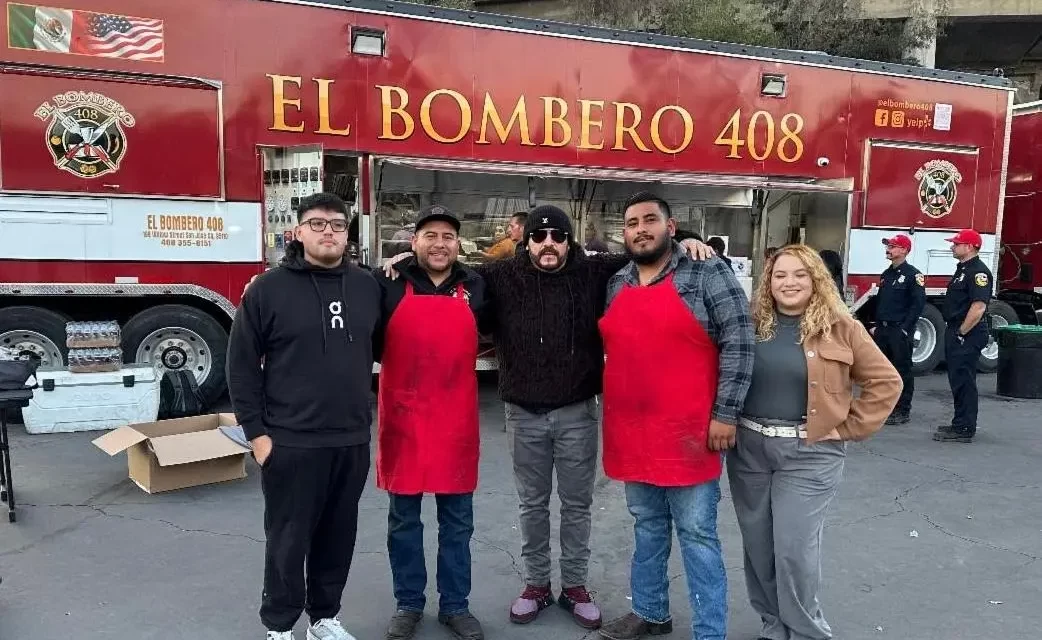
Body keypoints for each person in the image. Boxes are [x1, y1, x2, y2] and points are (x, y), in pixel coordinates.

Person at [384, 204, 713, 630]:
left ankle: (574, 585)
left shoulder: (594, 272)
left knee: (577, 505)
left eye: (557, 237)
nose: (548, 245)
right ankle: (536, 585)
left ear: (569, 240)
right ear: (527, 242)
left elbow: (643, 247)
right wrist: (404, 261)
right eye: (539, 238)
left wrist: (685, 237)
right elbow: (446, 266)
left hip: (577, 411)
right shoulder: (499, 276)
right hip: (522, 413)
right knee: (532, 505)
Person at [596, 193, 755, 640]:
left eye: (651, 219)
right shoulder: (618, 282)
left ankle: (709, 631)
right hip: (633, 433)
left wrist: (726, 414)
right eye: (632, 223)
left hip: (691, 433)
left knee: (697, 535)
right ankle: (650, 612)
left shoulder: (706, 271)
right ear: (623, 233)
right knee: (647, 528)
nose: (641, 229)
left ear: (671, 225)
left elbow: (739, 342)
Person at [227, 192, 382, 640]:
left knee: (337, 537)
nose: (328, 231)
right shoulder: (267, 290)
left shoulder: (368, 285)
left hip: (350, 440)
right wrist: (256, 434)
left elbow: (389, 344)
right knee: (287, 541)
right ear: (297, 231)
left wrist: (404, 265)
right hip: (290, 442)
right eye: (317, 224)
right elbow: (240, 366)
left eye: (337, 223)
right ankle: (279, 625)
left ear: (348, 232)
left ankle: (323, 618)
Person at [728, 244, 901, 640]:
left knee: (793, 551)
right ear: (768, 283)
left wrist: (847, 427)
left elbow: (886, 383)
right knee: (758, 546)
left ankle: (807, 632)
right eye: (780, 275)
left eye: (799, 274)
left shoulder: (843, 328)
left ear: (816, 280)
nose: (789, 282)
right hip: (749, 450)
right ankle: (773, 625)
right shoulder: (750, 323)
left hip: (809, 455)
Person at [376, 206, 489, 640]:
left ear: (458, 244)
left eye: (447, 236)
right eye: (430, 235)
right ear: (413, 242)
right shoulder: (386, 283)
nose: (439, 243)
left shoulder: (477, 286)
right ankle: (408, 603)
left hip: (455, 420)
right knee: (404, 521)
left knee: (457, 522)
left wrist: (686, 240)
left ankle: (455, 606)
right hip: (403, 420)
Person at [935, 229, 993, 443]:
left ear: (969, 247)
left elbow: (978, 307)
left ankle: (965, 428)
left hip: (967, 332)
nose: (952, 246)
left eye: (956, 243)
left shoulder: (978, 272)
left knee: (964, 381)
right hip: (958, 330)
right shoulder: (963, 269)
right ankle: (959, 422)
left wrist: (961, 332)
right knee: (957, 379)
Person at [871, 235, 926, 425]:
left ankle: (902, 410)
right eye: (888, 246)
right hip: (883, 330)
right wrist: (875, 325)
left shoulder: (913, 275)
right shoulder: (887, 274)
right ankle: (885, 407)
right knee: (882, 371)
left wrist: (905, 329)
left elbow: (917, 305)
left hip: (899, 330)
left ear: (904, 250)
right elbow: (881, 302)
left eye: (893, 246)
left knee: (901, 370)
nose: (889, 249)